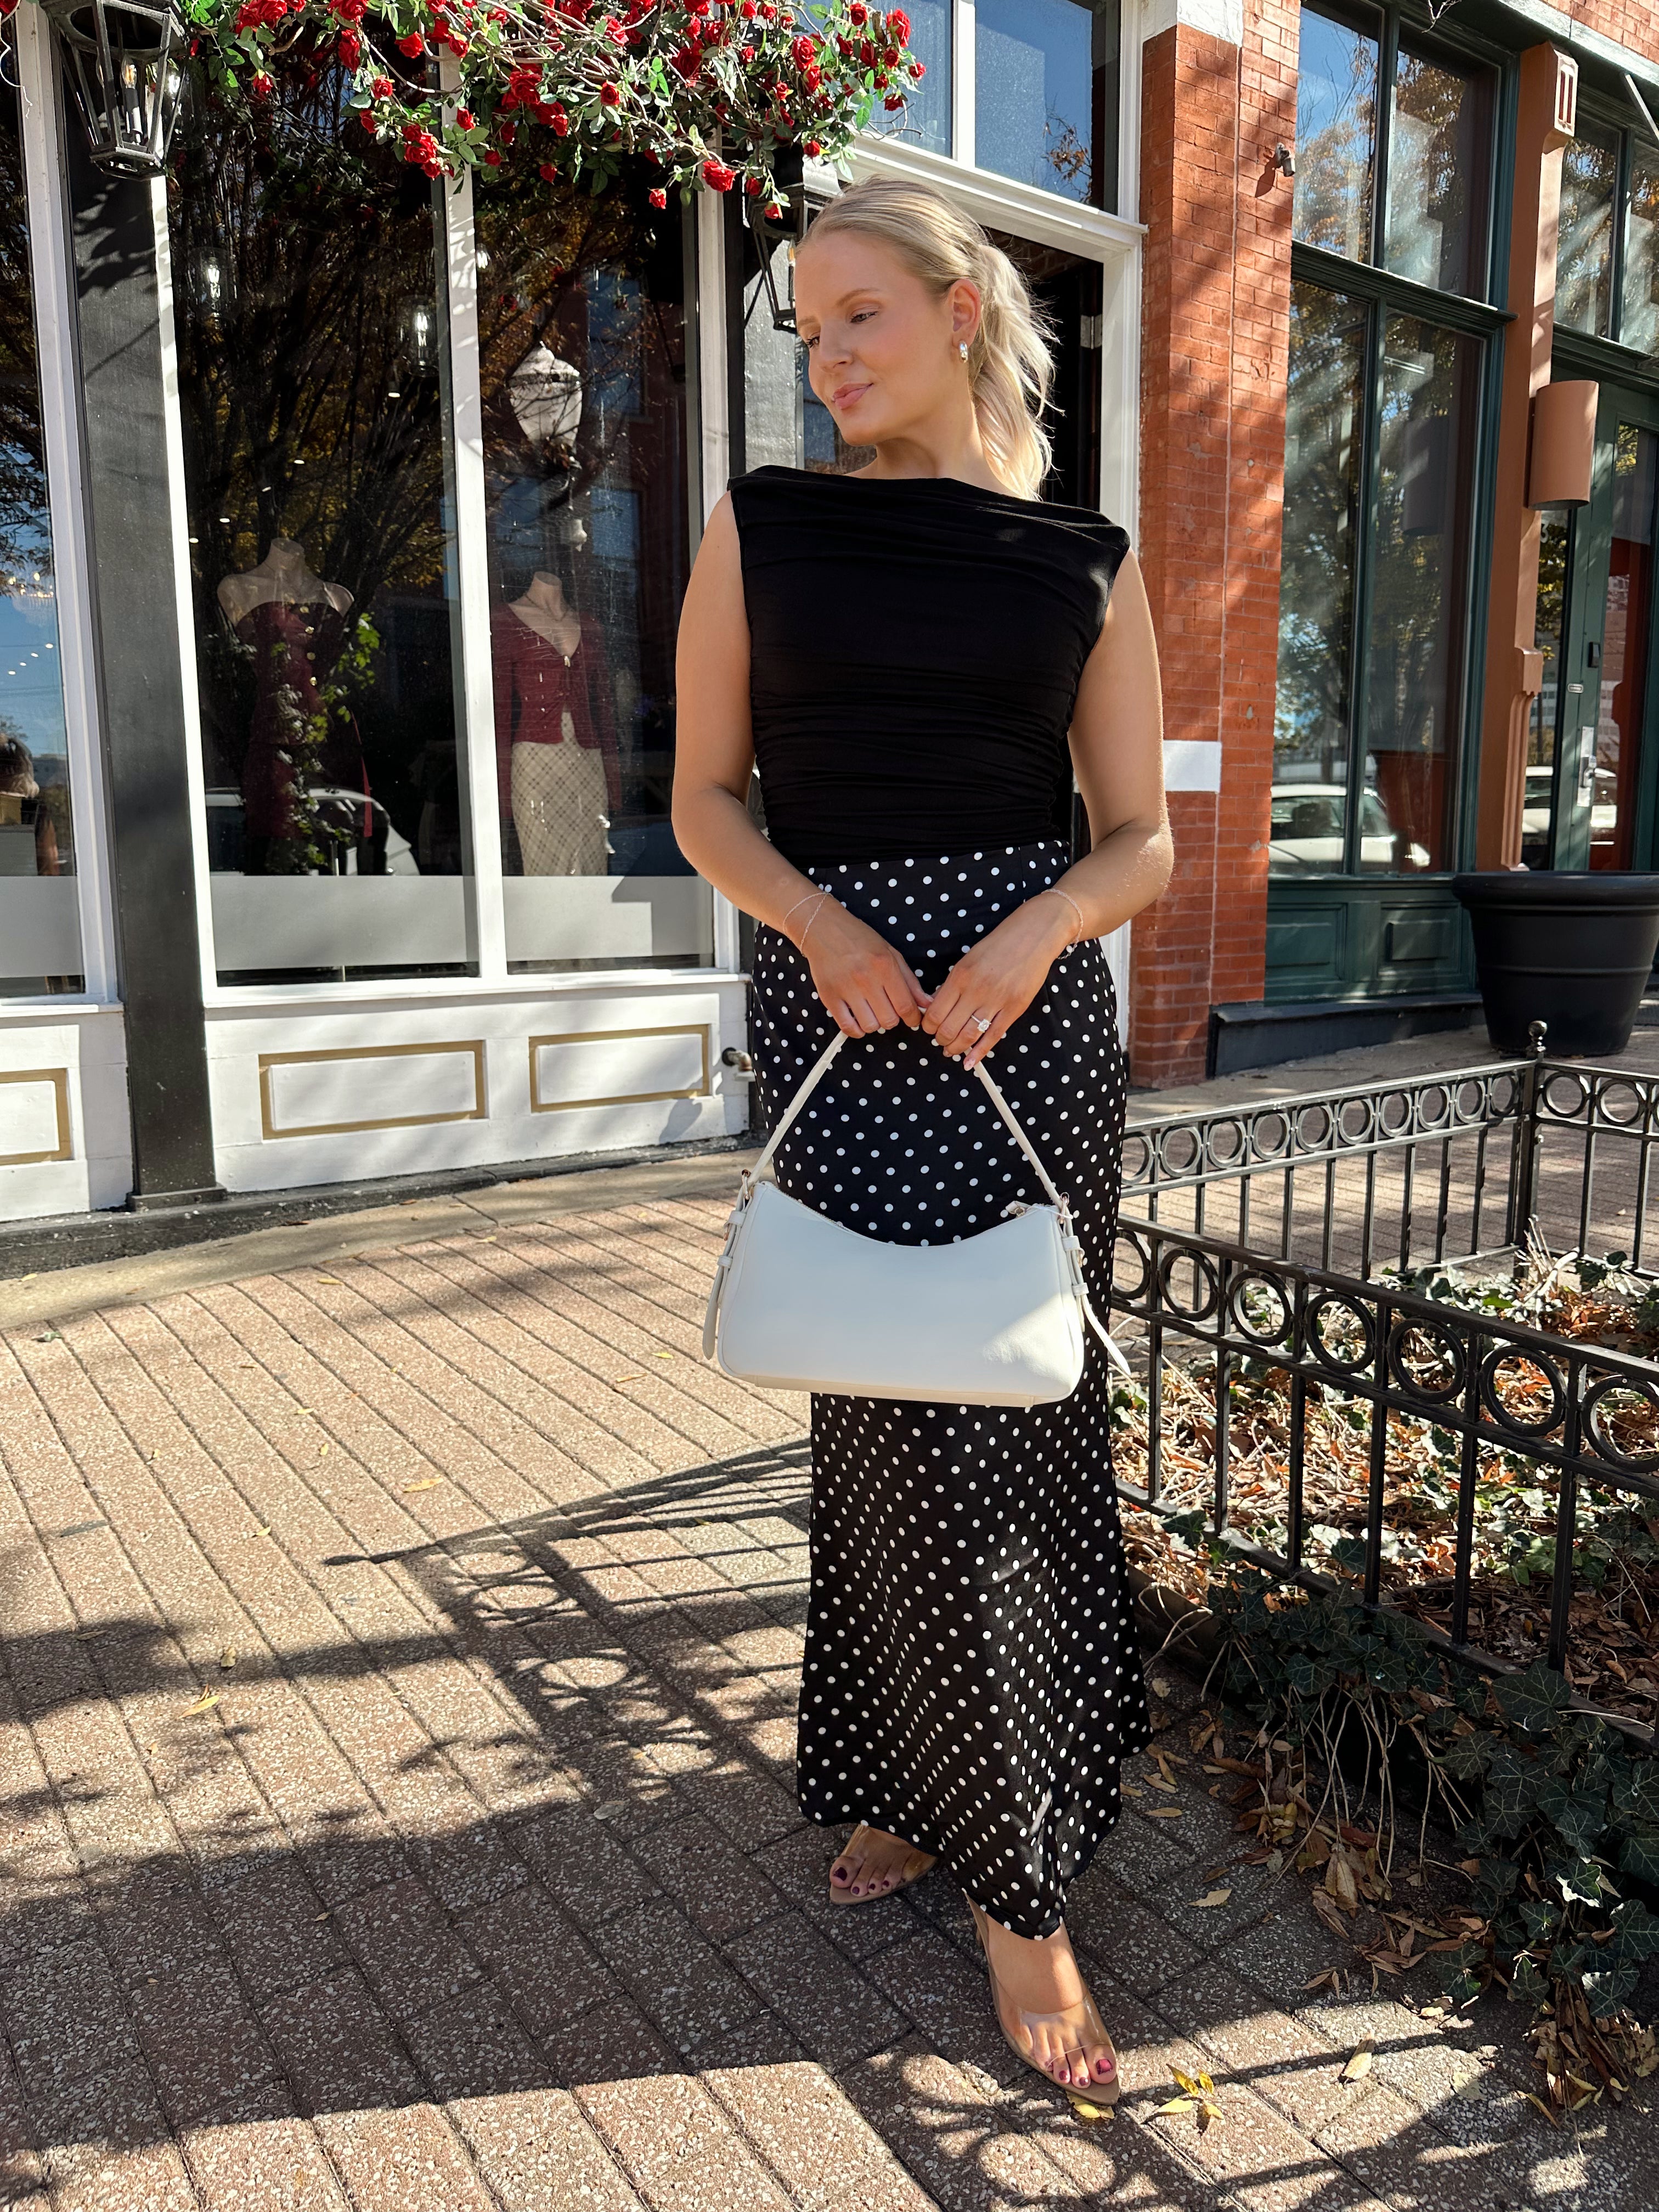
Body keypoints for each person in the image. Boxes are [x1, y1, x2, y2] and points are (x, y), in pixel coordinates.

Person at [672, 176, 1171, 2111]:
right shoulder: (762, 526)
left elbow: (1138, 835)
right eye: (808, 327)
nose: (829, 356)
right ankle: (910, 1782)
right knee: (874, 1405)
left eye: (861, 314)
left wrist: (1038, 927)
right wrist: (827, 926)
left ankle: (1016, 1882)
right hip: (844, 995)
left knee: (1013, 1406)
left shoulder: (1082, 558)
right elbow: (708, 797)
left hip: (1024, 1021)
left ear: (965, 308)